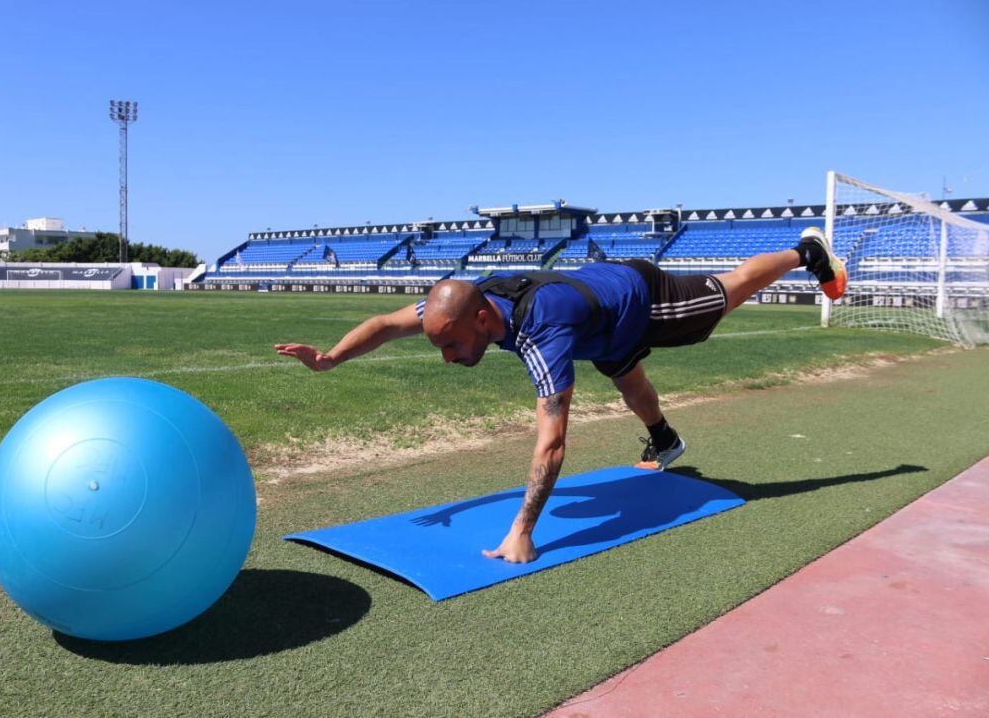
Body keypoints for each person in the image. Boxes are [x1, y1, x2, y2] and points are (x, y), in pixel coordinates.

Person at [275, 227, 846, 563]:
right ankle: (665, 438)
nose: (447, 358)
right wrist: (328, 359)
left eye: (451, 347)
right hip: (598, 324)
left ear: (482, 318)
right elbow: (385, 323)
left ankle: (805, 254)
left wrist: (522, 531)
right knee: (626, 379)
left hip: (640, 301)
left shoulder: (541, 333)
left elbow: (551, 445)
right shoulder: (457, 308)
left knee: (727, 292)